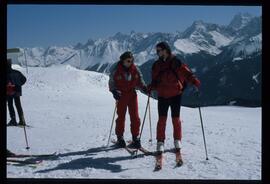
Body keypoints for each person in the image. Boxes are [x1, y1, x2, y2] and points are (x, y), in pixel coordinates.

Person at [148, 42, 201, 164]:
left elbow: (186, 73)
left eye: (159, 50)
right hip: (162, 95)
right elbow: (155, 80)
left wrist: (194, 81)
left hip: (176, 94)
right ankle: (160, 142)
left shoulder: (176, 62)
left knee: (175, 119)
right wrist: (151, 87)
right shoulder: (156, 65)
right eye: (157, 50)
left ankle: (177, 140)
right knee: (162, 120)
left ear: (166, 50)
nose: (158, 52)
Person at [109, 51, 148, 149]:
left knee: (135, 116)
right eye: (128, 61)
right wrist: (114, 91)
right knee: (121, 117)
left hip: (132, 95)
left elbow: (140, 80)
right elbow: (112, 82)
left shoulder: (135, 69)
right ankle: (120, 137)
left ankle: (135, 138)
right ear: (123, 61)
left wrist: (144, 87)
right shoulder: (116, 70)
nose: (131, 62)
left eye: (132, 60)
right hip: (121, 95)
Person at [6, 58, 27, 126]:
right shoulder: (17, 72)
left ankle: (13, 120)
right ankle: (22, 120)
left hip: (9, 92)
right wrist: (18, 85)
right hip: (17, 91)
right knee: (18, 105)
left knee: (10, 105)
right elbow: (24, 79)